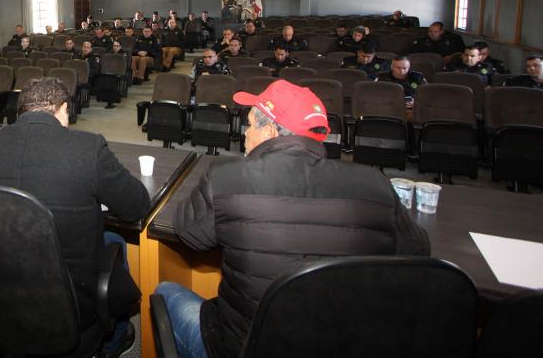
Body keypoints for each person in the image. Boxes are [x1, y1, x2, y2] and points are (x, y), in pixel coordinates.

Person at [154, 80, 430, 358]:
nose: (245, 134)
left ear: (271, 131)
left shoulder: (227, 177)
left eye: (251, 125)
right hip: (346, 344)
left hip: (244, 349)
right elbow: (418, 250)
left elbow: (189, 232)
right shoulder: (376, 184)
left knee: (166, 292)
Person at [0, 77, 149, 358]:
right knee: (115, 241)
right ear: (62, 109)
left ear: (21, 109)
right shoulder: (88, 148)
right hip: (69, 300)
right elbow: (136, 207)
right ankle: (114, 341)